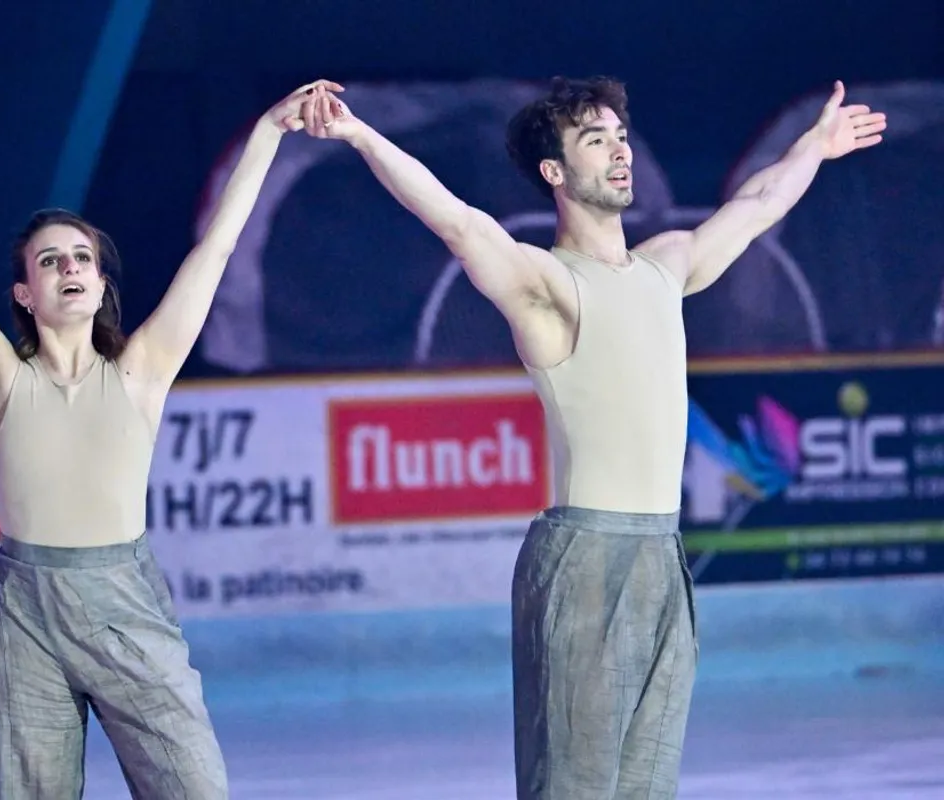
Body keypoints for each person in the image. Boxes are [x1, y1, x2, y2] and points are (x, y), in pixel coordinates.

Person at [300, 77, 886, 798]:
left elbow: (757, 205)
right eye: (593, 139)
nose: (619, 150)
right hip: (585, 561)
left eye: (619, 134)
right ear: (555, 172)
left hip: (664, 559)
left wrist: (814, 148)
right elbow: (457, 221)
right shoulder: (547, 284)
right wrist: (359, 134)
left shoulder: (666, 266)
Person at [0, 76, 342, 799]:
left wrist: (268, 128)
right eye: (49, 261)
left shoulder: (141, 371)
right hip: (23, 616)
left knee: (194, 786)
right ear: (24, 294)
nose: (69, 268)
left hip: (125, 603)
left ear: (101, 285)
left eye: (81, 258)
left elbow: (219, 248)